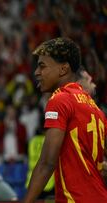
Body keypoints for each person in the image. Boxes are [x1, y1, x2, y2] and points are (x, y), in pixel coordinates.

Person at [23, 37, 107, 203]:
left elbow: (47, 162)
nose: (36, 72)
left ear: (63, 69)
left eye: (42, 66)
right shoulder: (96, 109)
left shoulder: (60, 99)